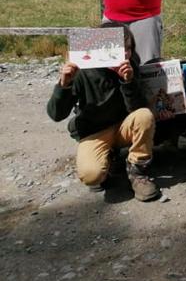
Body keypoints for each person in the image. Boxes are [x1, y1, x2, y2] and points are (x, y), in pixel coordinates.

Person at [46, 24, 160, 202]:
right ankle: (109, 158)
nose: (125, 54)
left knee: (144, 115)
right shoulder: (83, 70)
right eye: (120, 49)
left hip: (123, 127)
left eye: (129, 49)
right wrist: (64, 85)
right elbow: (56, 114)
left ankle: (138, 171)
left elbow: (138, 111)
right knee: (91, 176)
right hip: (95, 132)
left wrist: (128, 82)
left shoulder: (130, 65)